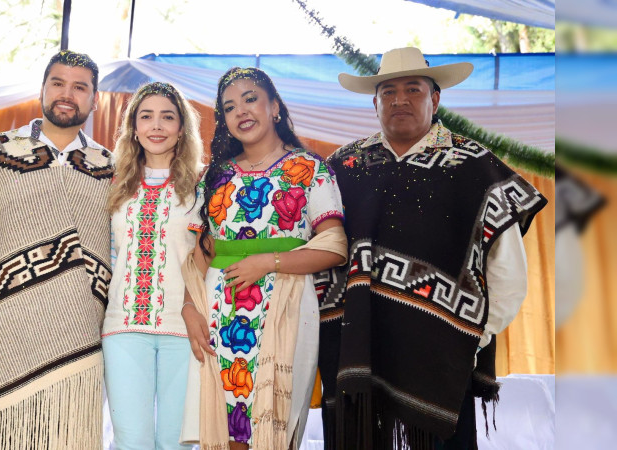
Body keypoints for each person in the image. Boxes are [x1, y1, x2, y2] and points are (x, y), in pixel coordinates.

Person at [322, 47, 548, 449]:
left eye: (413, 89)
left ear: (435, 99)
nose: (400, 100)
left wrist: (472, 336)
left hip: (443, 358)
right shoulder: (343, 167)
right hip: (359, 354)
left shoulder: (474, 166)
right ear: (375, 103)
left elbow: (506, 269)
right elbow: (320, 251)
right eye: (388, 92)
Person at [0, 50, 113, 450]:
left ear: (95, 98)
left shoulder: (112, 166)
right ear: (42, 89)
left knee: (67, 435)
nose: (68, 94)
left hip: (79, 332)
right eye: (58, 83)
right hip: (1, 323)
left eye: (80, 87)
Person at [181, 67, 347, 450]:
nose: (241, 110)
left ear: (274, 107)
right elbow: (201, 254)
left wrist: (267, 262)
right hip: (218, 311)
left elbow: (335, 245)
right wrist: (190, 307)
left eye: (250, 98)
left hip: (285, 307)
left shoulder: (309, 169)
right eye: (229, 106)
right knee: (225, 433)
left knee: (274, 428)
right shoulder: (216, 175)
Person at [102, 81, 203, 449]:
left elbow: (208, 256)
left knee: (177, 442)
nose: (156, 126)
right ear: (133, 126)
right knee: (131, 441)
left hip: (185, 327)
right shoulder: (111, 184)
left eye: (167, 117)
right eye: (146, 116)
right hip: (123, 326)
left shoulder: (204, 185)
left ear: (182, 128)